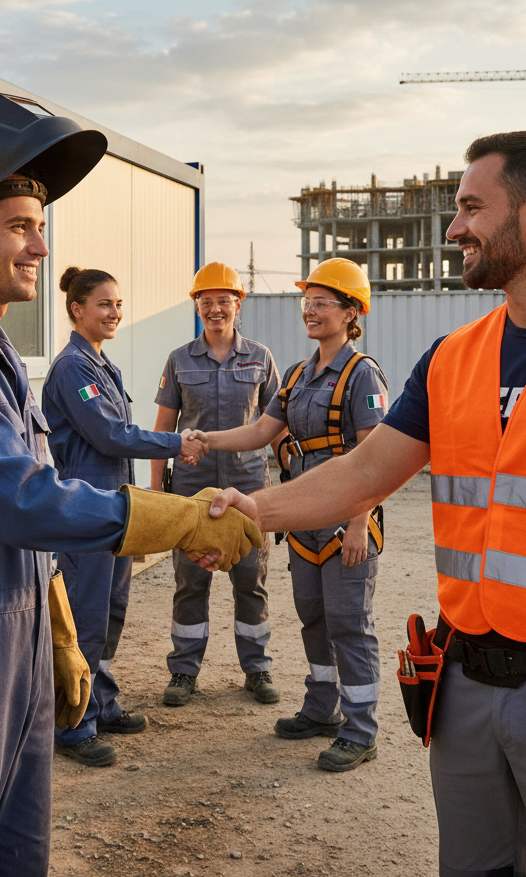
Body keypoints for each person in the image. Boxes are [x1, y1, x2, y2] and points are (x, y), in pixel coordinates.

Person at [207, 132, 526, 876]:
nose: (454, 229)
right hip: (464, 692)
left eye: (472, 208)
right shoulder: (453, 357)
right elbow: (362, 473)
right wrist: (248, 512)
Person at [0, 93, 261, 877]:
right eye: (19, 227)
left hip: (19, 637)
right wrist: (173, 519)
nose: (40, 246)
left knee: (14, 857)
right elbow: (17, 497)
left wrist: (60, 630)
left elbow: (30, 503)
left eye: (41, 227)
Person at [195, 258, 389, 772]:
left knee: (350, 624)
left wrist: (356, 524)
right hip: (303, 525)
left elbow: (373, 462)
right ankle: (322, 710)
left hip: (348, 524)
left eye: (322, 303)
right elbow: (261, 432)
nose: (310, 311)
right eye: (307, 303)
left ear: (352, 311)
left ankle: (361, 727)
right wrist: (202, 439)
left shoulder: (361, 374)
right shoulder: (301, 375)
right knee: (313, 618)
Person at [42, 266, 206, 766]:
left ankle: (102, 700)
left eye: (118, 304)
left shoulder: (99, 364)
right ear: (77, 310)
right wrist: (178, 443)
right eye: (104, 305)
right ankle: (74, 725)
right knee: (87, 617)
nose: (115, 313)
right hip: (85, 508)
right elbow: (111, 435)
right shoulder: (73, 368)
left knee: (112, 610)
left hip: (114, 508)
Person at [151, 263, 283, 707]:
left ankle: (257, 668)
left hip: (249, 490)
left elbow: (276, 427)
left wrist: (288, 489)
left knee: (252, 582)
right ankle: (184, 671)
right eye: (206, 302)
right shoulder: (179, 359)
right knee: (190, 583)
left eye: (223, 301)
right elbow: (163, 430)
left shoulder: (261, 358)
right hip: (192, 491)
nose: (215, 309)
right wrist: (159, 496)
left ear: (238, 304)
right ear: (196, 308)